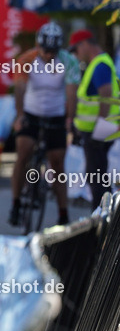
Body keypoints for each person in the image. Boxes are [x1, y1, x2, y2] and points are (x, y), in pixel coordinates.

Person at [9, 22, 80, 227]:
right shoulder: (26, 60)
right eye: (45, 51)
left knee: (57, 163)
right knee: (23, 153)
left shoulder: (69, 62)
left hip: (55, 114)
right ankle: (15, 203)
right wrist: (20, 115)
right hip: (31, 112)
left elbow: (71, 92)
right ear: (38, 46)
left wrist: (70, 119)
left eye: (53, 52)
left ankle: (63, 213)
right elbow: (20, 89)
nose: (49, 55)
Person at [69, 28, 119, 206]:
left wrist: (100, 126)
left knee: (96, 176)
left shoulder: (100, 65)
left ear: (84, 44)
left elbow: (105, 94)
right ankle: (102, 215)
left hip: (98, 131)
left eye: (76, 49)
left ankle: (101, 217)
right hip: (96, 130)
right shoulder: (99, 63)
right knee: (96, 174)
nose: (76, 55)